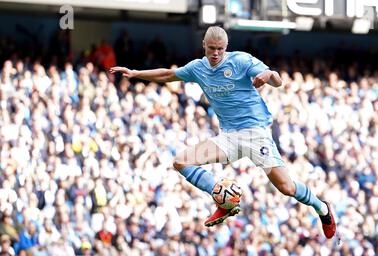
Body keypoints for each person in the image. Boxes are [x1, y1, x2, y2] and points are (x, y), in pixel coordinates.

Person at [110, 26, 336, 239]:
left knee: (286, 187)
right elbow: (168, 75)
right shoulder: (198, 68)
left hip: (254, 133)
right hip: (228, 136)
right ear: (204, 45)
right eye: (211, 49)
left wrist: (268, 76)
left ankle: (322, 208)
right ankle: (223, 200)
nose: (216, 53)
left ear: (226, 47)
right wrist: (136, 73)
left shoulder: (241, 60)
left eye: (220, 49)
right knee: (181, 162)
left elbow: (277, 81)